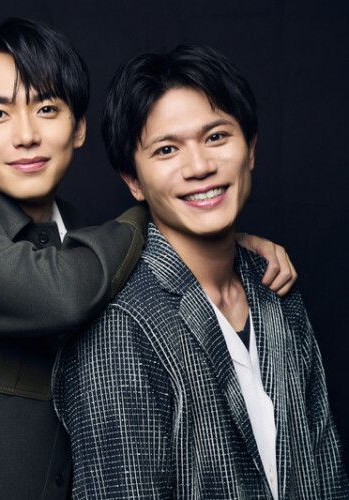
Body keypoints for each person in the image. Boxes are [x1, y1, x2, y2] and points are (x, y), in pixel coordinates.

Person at [0, 19, 296, 499]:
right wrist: (160, 212)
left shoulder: (87, 243)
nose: (26, 135)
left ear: (78, 128)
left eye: (47, 109)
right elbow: (57, 292)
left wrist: (221, 239)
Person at [53, 43, 348, 499]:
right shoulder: (119, 327)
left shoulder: (275, 287)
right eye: (167, 149)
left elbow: (326, 470)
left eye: (216, 137)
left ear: (251, 148)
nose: (200, 167)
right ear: (133, 180)